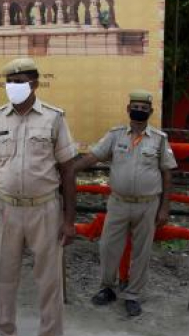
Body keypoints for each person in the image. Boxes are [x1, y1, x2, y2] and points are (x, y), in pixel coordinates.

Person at [0, 57, 77, 336]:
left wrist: (70, 219)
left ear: (34, 83)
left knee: (48, 279)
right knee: (4, 277)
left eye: (19, 81)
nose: (13, 86)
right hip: (6, 208)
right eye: (10, 80)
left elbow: (68, 169)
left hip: (45, 208)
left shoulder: (54, 118)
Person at [76, 91, 177, 317]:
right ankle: (107, 288)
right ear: (128, 108)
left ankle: (133, 295)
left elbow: (167, 174)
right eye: (135, 106)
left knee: (142, 251)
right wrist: (70, 170)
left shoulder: (160, 139)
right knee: (108, 247)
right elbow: (94, 157)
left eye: (143, 107)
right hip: (118, 202)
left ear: (150, 111)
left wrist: (164, 207)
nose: (139, 110)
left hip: (147, 204)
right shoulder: (115, 135)